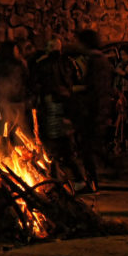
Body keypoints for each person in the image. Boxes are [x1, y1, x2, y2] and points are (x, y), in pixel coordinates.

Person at [30, 38, 88, 188]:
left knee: (54, 147)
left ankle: (65, 180)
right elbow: (76, 81)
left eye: (49, 46)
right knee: (65, 145)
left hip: (52, 107)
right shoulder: (69, 63)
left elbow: (36, 84)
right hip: (66, 107)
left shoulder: (43, 64)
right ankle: (74, 179)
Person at [70, 29, 114, 193]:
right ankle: (96, 177)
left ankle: (93, 181)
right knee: (91, 147)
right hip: (98, 109)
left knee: (88, 148)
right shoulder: (100, 60)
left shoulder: (95, 61)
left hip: (93, 111)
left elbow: (95, 88)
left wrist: (76, 89)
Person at [0, 41, 28, 136]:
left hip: (15, 101)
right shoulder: (14, 65)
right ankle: (6, 147)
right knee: (10, 126)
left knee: (13, 127)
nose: (18, 52)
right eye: (16, 49)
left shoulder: (18, 64)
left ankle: (12, 146)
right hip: (9, 101)